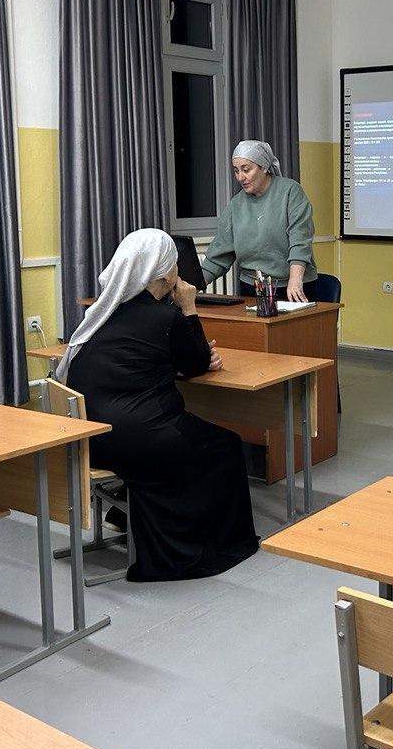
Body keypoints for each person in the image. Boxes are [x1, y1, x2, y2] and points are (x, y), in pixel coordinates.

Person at [57, 229, 259, 580]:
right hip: (138, 438)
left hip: (91, 438)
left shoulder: (103, 313)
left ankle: (126, 514)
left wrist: (187, 353)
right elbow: (195, 364)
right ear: (165, 274)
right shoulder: (166, 317)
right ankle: (219, 542)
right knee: (225, 445)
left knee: (188, 438)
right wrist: (189, 308)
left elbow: (162, 357)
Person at [200, 140, 316, 302]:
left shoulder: (290, 191)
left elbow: (300, 240)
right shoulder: (236, 204)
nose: (241, 177)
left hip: (292, 285)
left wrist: (295, 279)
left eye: (246, 170)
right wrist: (193, 285)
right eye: (236, 171)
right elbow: (219, 254)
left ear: (264, 167)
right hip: (252, 287)